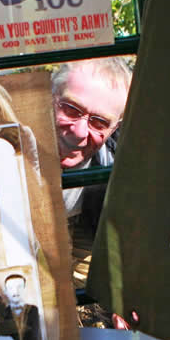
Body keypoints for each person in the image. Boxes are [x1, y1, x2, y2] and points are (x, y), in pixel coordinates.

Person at [51, 57, 132, 221]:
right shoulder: (1, 147)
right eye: (71, 109)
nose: (80, 132)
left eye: (99, 122)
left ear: (114, 129)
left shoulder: (120, 182)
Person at [0, 274, 42, 340]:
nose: (15, 291)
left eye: (19, 287)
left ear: (25, 289)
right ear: (6, 291)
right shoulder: (2, 315)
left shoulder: (34, 311)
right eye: (11, 288)